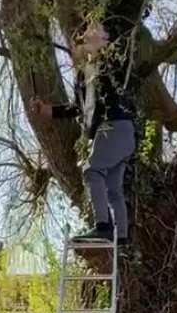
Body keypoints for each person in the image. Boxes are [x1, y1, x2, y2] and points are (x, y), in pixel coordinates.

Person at [30, 19, 136, 245]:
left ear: (105, 40)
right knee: (113, 188)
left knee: (91, 170)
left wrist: (97, 49)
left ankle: (103, 226)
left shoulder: (109, 64)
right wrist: (48, 110)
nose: (85, 37)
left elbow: (118, 58)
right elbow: (78, 108)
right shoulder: (82, 78)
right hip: (112, 133)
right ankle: (123, 236)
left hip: (115, 126)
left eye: (93, 32)